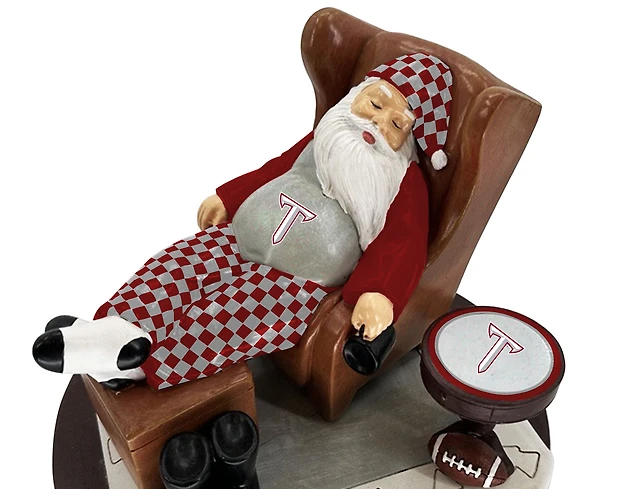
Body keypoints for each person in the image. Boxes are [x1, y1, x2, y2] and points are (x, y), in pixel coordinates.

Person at [33, 53, 453, 391]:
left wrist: (379, 293)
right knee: (180, 263)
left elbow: (404, 243)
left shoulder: (401, 181)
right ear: (357, 96)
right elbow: (275, 169)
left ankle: (138, 366)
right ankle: (117, 327)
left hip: (298, 281)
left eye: (396, 124)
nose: (377, 123)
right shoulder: (328, 136)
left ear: (410, 141)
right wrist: (230, 198)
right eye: (376, 104)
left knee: (230, 316)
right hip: (240, 236)